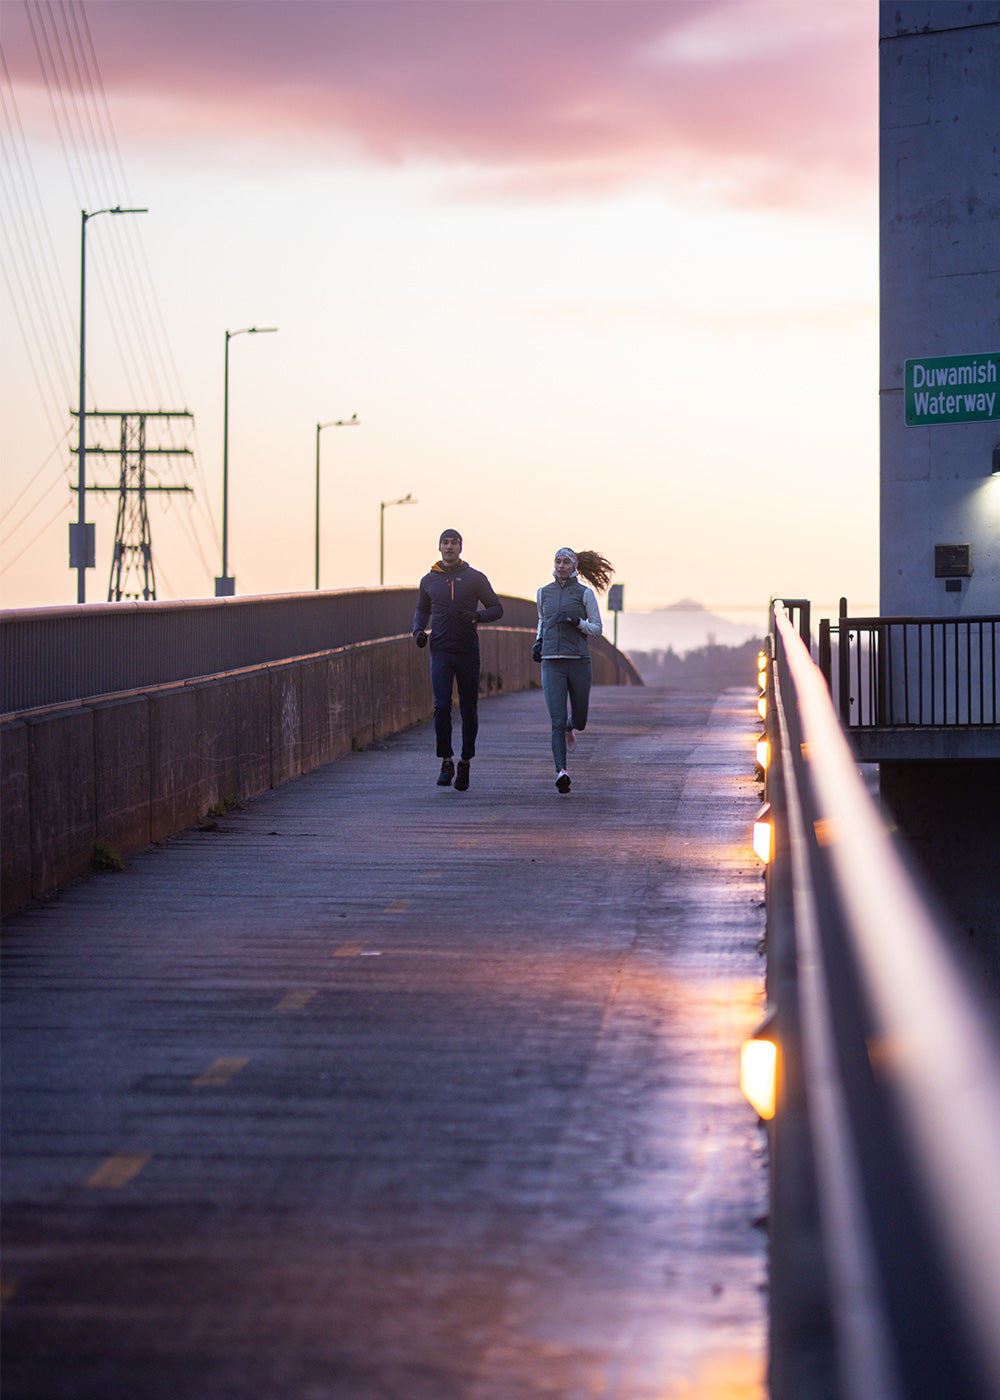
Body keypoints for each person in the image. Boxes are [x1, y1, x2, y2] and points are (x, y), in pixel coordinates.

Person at [413, 530, 503, 791]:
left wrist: (477, 617)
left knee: (468, 709)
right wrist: (418, 630)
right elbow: (422, 608)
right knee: (441, 706)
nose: (449, 547)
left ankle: (465, 762)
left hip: (467, 651)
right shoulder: (429, 580)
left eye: (454, 543)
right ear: (439, 547)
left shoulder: (475, 578)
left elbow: (497, 608)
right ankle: (446, 760)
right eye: (445, 542)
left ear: (461, 548)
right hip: (440, 650)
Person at [533, 547, 614, 794]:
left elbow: (597, 628)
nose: (560, 565)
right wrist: (538, 641)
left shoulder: (584, 594)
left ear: (574, 566)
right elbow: (541, 620)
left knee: (579, 720)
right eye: (557, 561)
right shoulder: (543, 593)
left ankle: (572, 727)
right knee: (556, 721)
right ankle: (562, 772)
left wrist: (577, 622)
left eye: (565, 562)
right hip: (551, 662)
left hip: (578, 661)